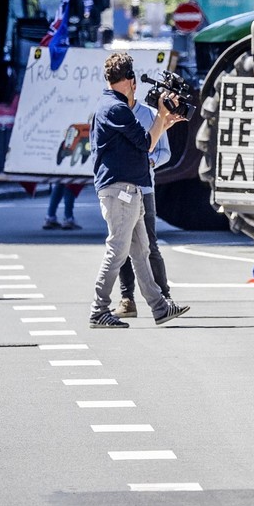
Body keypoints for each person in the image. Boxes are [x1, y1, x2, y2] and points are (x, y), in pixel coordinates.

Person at [88, 53, 188, 328]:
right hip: (120, 190)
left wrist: (164, 121)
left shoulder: (111, 105)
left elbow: (145, 144)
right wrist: (162, 115)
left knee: (141, 250)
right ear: (131, 81)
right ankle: (98, 310)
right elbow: (146, 143)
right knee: (117, 252)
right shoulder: (115, 108)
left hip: (130, 189)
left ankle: (159, 307)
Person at [116, 82, 178, 318]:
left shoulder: (151, 114)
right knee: (122, 246)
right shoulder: (114, 113)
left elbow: (165, 152)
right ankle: (126, 298)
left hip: (144, 187)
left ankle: (165, 295)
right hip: (121, 187)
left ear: (132, 86)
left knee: (150, 244)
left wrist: (151, 162)